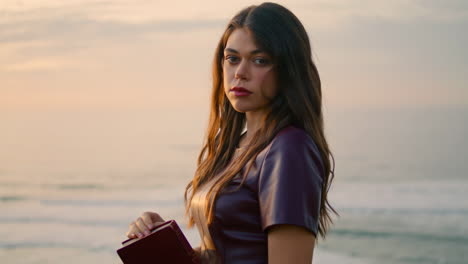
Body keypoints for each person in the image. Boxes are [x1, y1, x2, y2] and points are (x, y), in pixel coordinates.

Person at [125, 2, 336, 263]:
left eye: (260, 61)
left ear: (287, 69)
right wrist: (164, 242)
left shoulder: (289, 149)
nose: (240, 73)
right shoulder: (235, 147)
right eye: (232, 59)